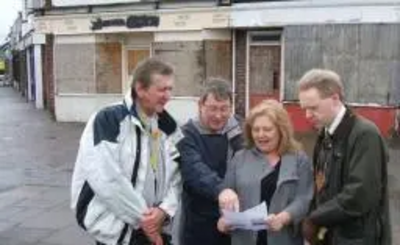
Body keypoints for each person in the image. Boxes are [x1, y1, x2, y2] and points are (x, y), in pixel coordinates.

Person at [71, 57, 183, 245]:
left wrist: (164, 210)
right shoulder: (108, 120)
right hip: (118, 233)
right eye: (162, 89)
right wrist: (145, 220)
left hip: (156, 228)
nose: (167, 95)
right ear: (140, 89)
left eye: (170, 89)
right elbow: (107, 178)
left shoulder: (169, 127)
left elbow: (178, 176)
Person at [298, 69, 391, 245]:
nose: (307, 115)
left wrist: (315, 218)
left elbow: (359, 194)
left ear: (335, 98)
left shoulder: (365, 134)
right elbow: (320, 186)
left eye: (313, 108)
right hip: (331, 236)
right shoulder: (324, 134)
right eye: (304, 109)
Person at [217, 100, 314, 245]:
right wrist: (224, 218)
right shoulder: (239, 158)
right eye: (256, 129)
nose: (260, 135)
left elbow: (304, 199)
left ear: (281, 130)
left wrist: (283, 218)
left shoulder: (298, 159)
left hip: (284, 238)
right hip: (245, 239)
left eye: (267, 129)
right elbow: (226, 193)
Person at [177, 78, 244, 245]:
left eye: (224, 109)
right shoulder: (186, 135)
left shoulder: (241, 129)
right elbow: (193, 169)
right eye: (212, 108)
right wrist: (221, 190)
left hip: (237, 221)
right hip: (199, 224)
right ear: (200, 105)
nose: (218, 115)